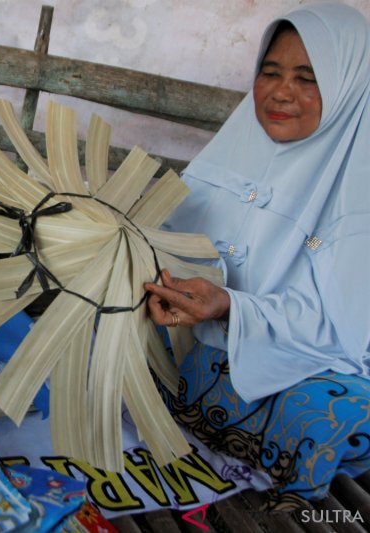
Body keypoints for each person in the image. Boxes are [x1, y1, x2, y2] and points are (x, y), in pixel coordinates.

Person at [143, 2, 370, 510]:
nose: (281, 91)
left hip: (312, 366)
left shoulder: (361, 190)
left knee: (328, 415)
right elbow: (170, 238)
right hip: (204, 354)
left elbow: (344, 325)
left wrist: (230, 306)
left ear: (350, 85)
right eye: (271, 72)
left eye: (307, 78)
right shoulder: (236, 150)